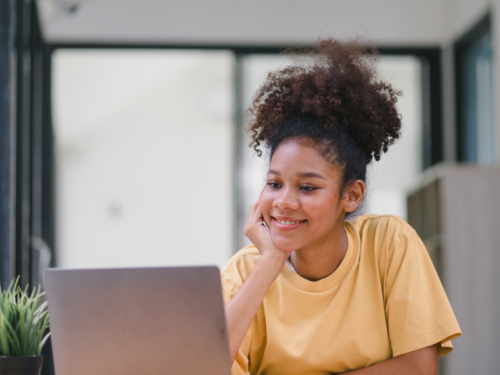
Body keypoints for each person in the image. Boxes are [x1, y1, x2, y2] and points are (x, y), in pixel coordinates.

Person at [221, 39, 461, 375]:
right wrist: (270, 261)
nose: (284, 202)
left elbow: (419, 368)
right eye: (274, 183)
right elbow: (204, 366)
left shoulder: (389, 243)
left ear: (350, 196)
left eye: (307, 187)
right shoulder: (244, 273)